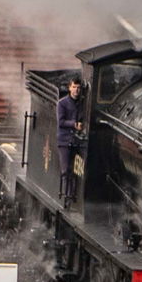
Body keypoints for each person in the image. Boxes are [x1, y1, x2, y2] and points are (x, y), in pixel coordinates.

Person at [57, 76, 85, 205]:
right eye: (74, 87)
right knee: (66, 170)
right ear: (69, 88)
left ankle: (74, 196)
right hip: (65, 141)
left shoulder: (82, 104)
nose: (76, 90)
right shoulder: (62, 103)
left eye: (78, 88)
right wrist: (74, 124)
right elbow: (61, 122)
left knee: (76, 171)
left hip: (78, 141)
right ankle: (67, 197)